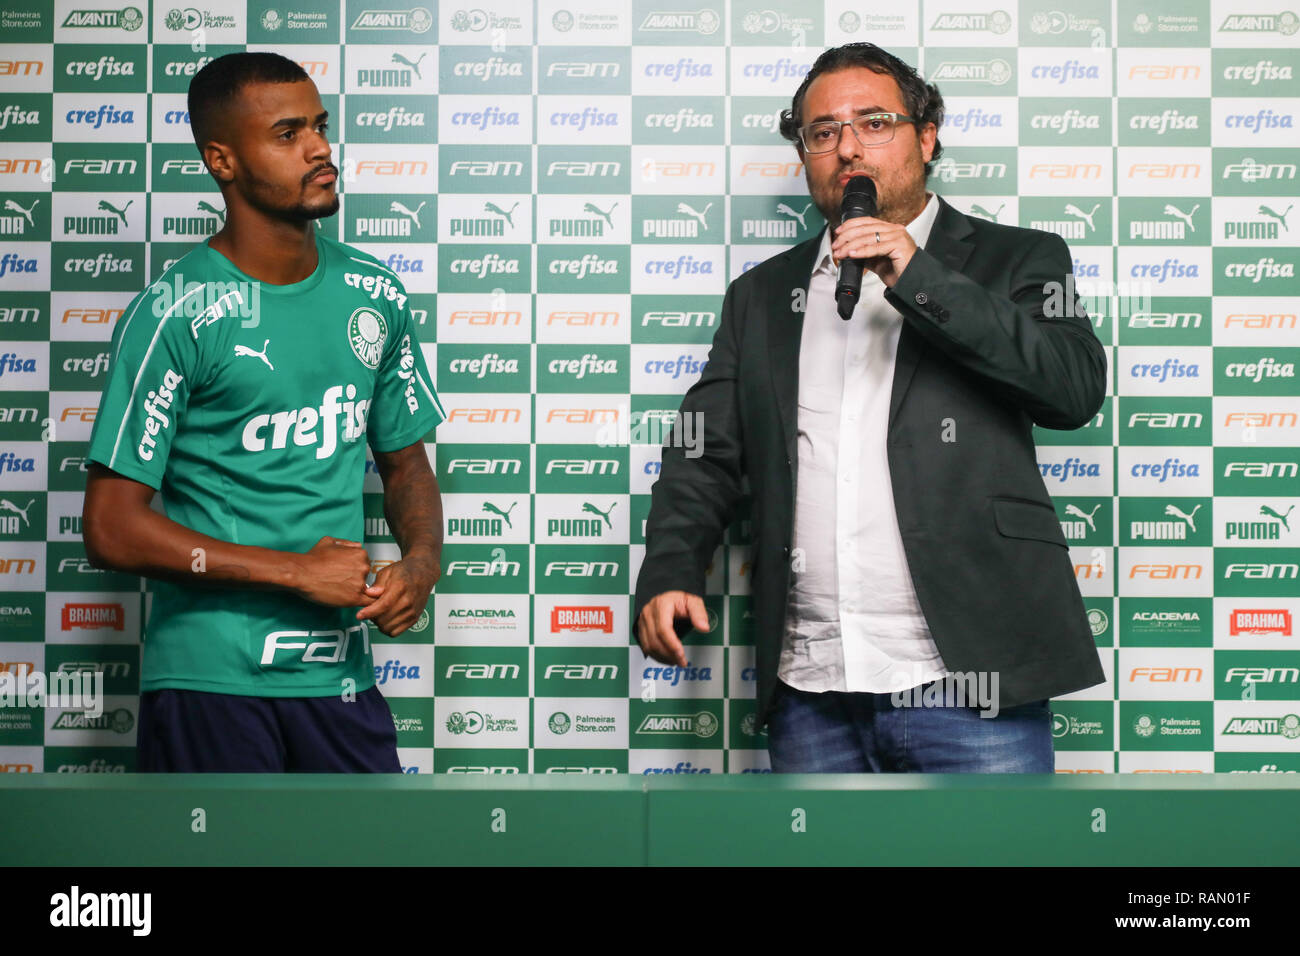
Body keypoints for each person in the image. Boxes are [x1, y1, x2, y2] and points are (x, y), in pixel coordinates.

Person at [633, 43, 1107, 773]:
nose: (846, 146)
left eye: (874, 122)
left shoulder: (1024, 259)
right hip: (813, 688)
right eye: (822, 132)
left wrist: (916, 274)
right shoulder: (761, 295)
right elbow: (705, 452)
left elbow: (1072, 389)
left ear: (926, 136)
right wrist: (669, 569)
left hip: (974, 686)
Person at [81, 52, 445, 773]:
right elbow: (111, 527)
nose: (318, 149)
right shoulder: (176, 311)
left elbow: (406, 467)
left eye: (319, 127)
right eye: (286, 134)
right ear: (223, 160)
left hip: (338, 676)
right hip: (211, 680)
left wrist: (422, 566)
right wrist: (294, 573)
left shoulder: (377, 293)